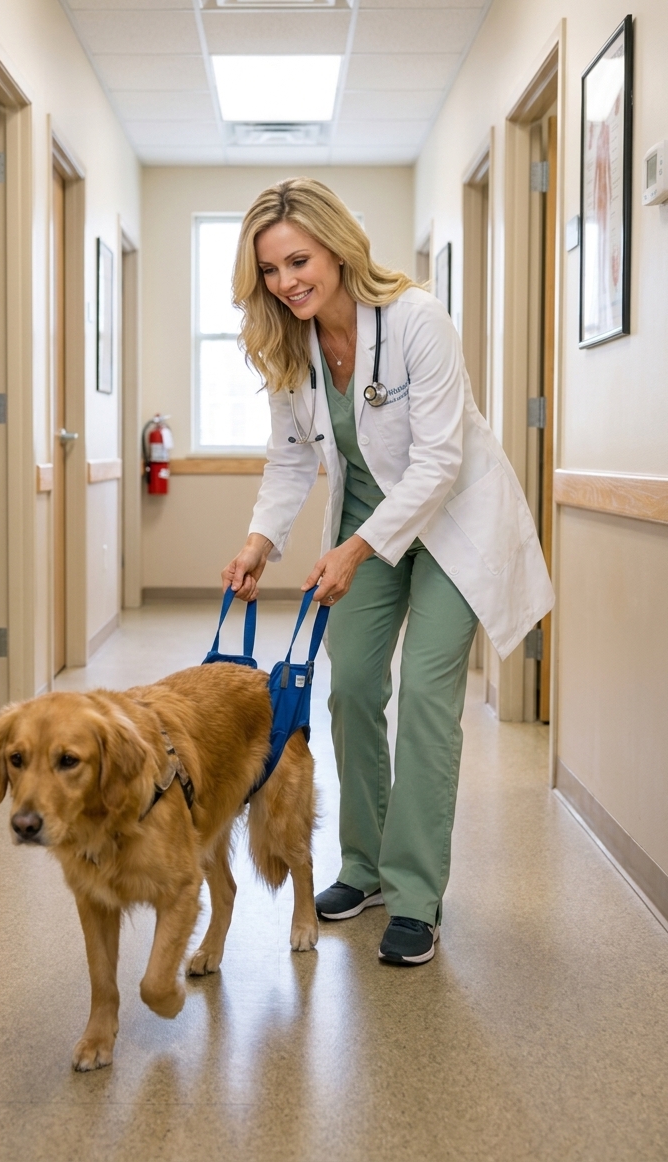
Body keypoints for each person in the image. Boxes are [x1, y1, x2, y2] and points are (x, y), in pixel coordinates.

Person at [222, 178, 554, 966]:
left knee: (427, 702)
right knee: (351, 687)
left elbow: (439, 460)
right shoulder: (287, 342)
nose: (285, 282)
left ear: (336, 247)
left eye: (297, 261)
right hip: (365, 527)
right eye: (268, 270)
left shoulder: (416, 319)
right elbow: (291, 458)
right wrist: (259, 541)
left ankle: (413, 896)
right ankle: (363, 868)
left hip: (450, 525)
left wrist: (355, 549)